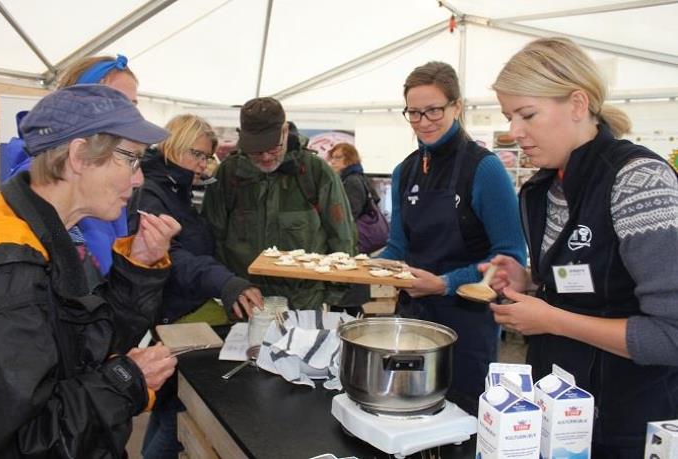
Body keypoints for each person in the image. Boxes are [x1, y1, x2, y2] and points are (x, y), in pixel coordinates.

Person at [485, 37, 678, 457]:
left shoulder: (638, 182)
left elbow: (671, 335)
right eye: (508, 117)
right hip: (557, 410)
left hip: (624, 425)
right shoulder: (543, 188)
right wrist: (531, 281)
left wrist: (552, 320)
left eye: (526, 115)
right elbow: (591, 280)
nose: (513, 132)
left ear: (577, 104)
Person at [0, 84, 180, 457]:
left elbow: (87, 348)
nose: (139, 179)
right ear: (79, 156)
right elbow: (23, 442)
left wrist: (138, 266)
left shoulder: (47, 233)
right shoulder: (11, 269)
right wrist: (127, 381)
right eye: (131, 158)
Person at [379, 61, 527, 405]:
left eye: (433, 110)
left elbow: (509, 257)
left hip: (468, 323)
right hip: (414, 317)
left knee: (463, 416)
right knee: (409, 407)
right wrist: (357, 267)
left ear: (457, 106)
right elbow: (397, 247)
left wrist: (444, 283)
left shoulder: (485, 168)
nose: (423, 122)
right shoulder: (404, 171)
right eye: (414, 113)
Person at [129, 114, 264, 458]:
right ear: (174, 144)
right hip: (174, 313)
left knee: (167, 404)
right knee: (177, 412)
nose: (203, 165)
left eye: (207, 157)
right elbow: (173, 256)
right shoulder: (152, 191)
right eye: (197, 155)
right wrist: (224, 282)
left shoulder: (177, 188)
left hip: (183, 308)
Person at [202, 97, 356, 310]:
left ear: (285, 131)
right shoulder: (229, 174)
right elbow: (212, 237)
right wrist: (226, 287)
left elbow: (342, 239)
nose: (265, 157)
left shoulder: (316, 172)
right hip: (246, 302)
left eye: (273, 148)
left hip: (304, 304)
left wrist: (333, 298)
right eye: (256, 150)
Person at [6, 54, 140, 275]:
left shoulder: (106, 170)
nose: (131, 115)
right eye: (118, 102)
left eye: (133, 105)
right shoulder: (42, 178)